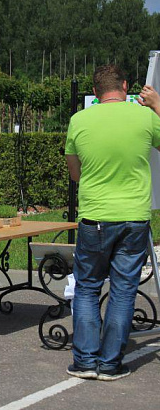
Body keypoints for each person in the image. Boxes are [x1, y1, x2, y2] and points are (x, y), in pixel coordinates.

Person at [65, 64, 160, 381]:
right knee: (123, 292)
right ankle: (109, 364)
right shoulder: (145, 116)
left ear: (95, 93)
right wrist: (158, 105)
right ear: (125, 86)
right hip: (134, 217)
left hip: (94, 217)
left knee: (88, 288)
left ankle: (85, 362)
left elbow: (75, 174)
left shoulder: (79, 120)